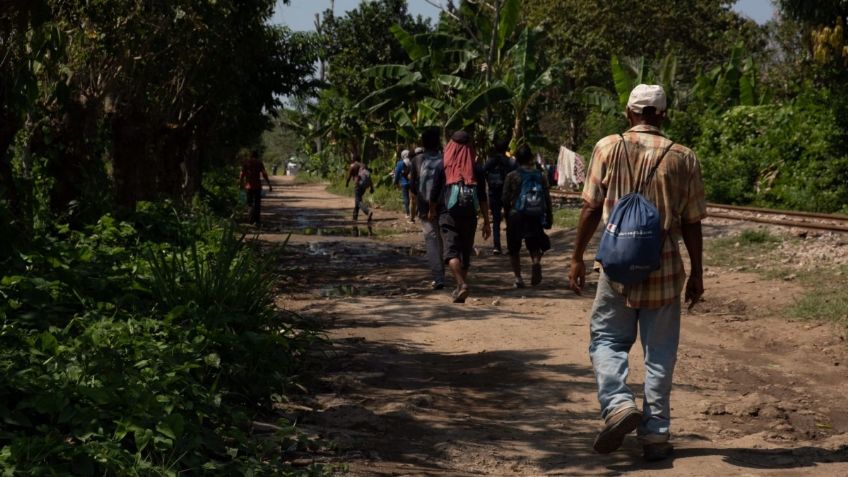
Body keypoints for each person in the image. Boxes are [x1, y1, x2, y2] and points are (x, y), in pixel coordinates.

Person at [568, 84, 706, 462]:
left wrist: (578, 256)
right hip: (663, 268)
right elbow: (693, 223)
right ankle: (656, 436)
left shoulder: (607, 147)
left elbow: (591, 208)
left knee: (608, 342)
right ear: (663, 115)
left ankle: (617, 404)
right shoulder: (684, 156)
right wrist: (697, 273)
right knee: (659, 353)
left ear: (629, 113)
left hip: (616, 269)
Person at [430, 130, 491, 303]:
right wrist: (486, 221)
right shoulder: (476, 168)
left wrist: (431, 210)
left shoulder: (443, 165)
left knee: (451, 252)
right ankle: (459, 287)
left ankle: (461, 284)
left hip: (447, 214)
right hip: (470, 215)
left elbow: (434, 192)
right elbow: (482, 197)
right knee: (465, 252)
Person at [502, 145, 553, 288]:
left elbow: (505, 198)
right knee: (534, 244)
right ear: (531, 158)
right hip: (534, 213)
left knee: (514, 248)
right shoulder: (540, 175)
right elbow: (547, 198)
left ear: (516, 159)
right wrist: (549, 215)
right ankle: (535, 262)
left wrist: (507, 215)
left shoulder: (512, 176)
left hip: (516, 214)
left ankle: (518, 278)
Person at [409, 131, 445, 290]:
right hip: (444, 205)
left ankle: (438, 277)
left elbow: (413, 186)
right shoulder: (444, 159)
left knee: (431, 240)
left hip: (425, 206)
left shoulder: (417, 160)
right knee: (443, 239)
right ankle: (445, 270)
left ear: (423, 143)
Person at [484, 136, 514, 255]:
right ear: (506, 147)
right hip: (507, 193)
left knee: (496, 221)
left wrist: (489, 181)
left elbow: (483, 171)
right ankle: (511, 246)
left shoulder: (491, 160)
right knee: (509, 220)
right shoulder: (510, 161)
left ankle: (497, 246)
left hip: (494, 193)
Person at [239, 150, 272, 227]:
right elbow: (264, 174)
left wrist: (240, 184)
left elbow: (242, 174)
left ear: (250, 155)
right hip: (257, 186)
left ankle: (250, 220)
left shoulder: (246, 163)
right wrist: (269, 184)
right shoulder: (259, 163)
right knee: (257, 204)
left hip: (248, 187)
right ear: (257, 156)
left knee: (250, 204)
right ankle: (257, 221)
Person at [345, 155, 374, 222]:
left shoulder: (353, 166)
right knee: (357, 200)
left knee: (358, 201)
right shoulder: (364, 165)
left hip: (358, 184)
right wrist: (371, 187)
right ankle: (355, 217)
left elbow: (349, 176)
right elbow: (368, 176)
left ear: (354, 159)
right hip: (364, 185)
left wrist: (347, 183)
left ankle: (367, 212)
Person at [393, 149, 413, 221]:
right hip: (412, 182)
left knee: (406, 198)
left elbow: (397, 173)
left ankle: (407, 213)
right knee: (412, 198)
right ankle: (414, 213)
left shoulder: (400, 163)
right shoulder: (412, 161)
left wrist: (395, 182)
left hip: (404, 183)